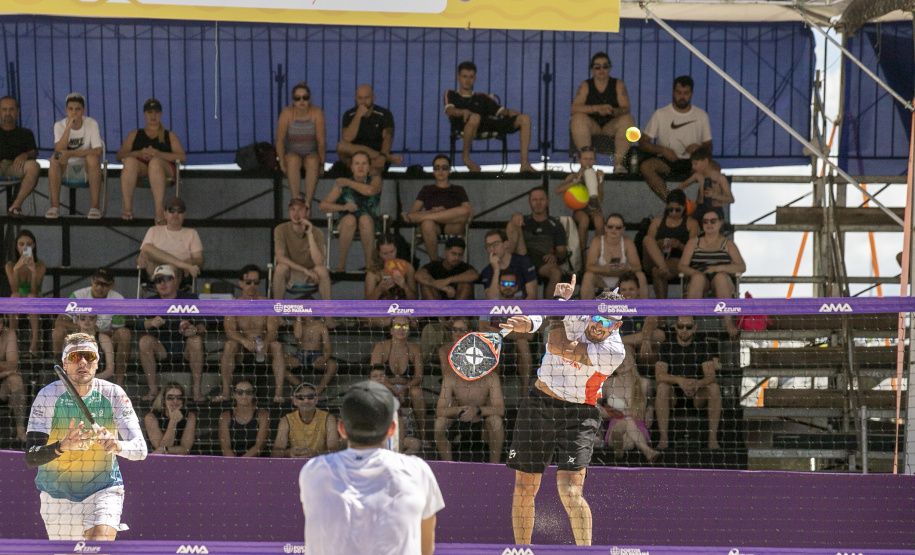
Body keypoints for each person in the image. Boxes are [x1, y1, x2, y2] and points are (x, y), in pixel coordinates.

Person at [501, 277, 626, 546]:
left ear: (617, 326)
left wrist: (558, 305)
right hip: (539, 405)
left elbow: (559, 346)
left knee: (570, 492)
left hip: (579, 415)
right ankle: (523, 552)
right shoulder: (580, 313)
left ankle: (585, 553)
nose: (597, 325)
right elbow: (544, 315)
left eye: (606, 323)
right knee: (524, 489)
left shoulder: (615, 351)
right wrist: (530, 323)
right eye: (596, 318)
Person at [25, 332, 147, 540]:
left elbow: (140, 450)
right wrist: (61, 446)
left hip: (103, 488)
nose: (82, 361)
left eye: (89, 356)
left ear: (97, 363)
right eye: (75, 357)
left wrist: (117, 445)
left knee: (97, 546)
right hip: (57, 495)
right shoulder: (48, 396)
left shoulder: (113, 394)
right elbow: (31, 456)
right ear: (65, 364)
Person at [298, 381, 444, 555]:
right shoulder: (418, 471)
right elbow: (426, 548)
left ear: (342, 429)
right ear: (392, 429)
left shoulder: (314, 470)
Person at [215, 265, 289, 404]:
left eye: (256, 282)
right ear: (241, 283)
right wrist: (244, 341)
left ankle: (278, 394)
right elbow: (230, 331)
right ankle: (225, 392)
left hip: (263, 348)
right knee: (229, 345)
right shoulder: (233, 305)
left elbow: (273, 331)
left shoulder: (268, 303)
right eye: (248, 282)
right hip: (242, 349)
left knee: (277, 346)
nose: (252, 285)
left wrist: (264, 342)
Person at [435, 318, 505, 463]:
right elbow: (440, 411)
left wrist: (477, 410)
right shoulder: (450, 377)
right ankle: (448, 466)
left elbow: (500, 409)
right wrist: (459, 410)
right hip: (458, 414)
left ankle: (495, 466)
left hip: (481, 414)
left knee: (496, 422)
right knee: (439, 423)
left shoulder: (491, 377)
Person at [444, 61, 534, 173]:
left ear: (475, 79)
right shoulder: (451, 94)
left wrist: (509, 112)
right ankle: (466, 158)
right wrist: (463, 112)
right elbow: (449, 110)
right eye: (464, 76)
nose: (467, 80)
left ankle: (524, 163)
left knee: (525, 118)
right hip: (464, 125)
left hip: (486, 124)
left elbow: (500, 111)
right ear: (458, 78)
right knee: (475, 117)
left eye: (471, 77)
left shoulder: (482, 97)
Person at [51, 269, 132, 386]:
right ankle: (62, 374)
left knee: (124, 333)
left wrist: (96, 333)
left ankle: (119, 384)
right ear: (91, 281)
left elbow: (116, 330)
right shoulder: (78, 295)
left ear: (112, 285)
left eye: (104, 284)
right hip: (76, 339)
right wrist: (82, 328)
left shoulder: (118, 299)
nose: (99, 287)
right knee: (57, 332)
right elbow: (59, 322)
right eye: (97, 282)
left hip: (104, 340)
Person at [638, 75, 714, 200]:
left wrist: (699, 148)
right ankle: (671, 201)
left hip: (693, 163)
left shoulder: (701, 115)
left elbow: (709, 146)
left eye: (686, 93)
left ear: (691, 93)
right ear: (673, 92)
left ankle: (698, 207)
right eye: (679, 92)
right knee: (646, 167)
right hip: (667, 161)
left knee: (714, 168)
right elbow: (643, 143)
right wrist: (662, 150)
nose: (682, 96)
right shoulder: (660, 114)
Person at [138, 265, 205, 402]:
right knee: (144, 341)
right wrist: (150, 322)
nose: (162, 283)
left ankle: (197, 391)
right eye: (158, 280)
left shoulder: (190, 298)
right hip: (161, 348)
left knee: (196, 340)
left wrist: (194, 330)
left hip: (185, 347)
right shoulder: (150, 301)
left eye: (166, 279)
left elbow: (203, 324)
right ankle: (153, 389)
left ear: (175, 280)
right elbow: (139, 323)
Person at [654, 316, 722, 450]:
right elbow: (659, 375)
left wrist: (697, 384)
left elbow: (710, 376)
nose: (684, 330)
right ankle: (663, 439)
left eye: (688, 327)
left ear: (695, 327)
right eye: (680, 326)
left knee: (714, 388)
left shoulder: (702, 345)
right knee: (662, 388)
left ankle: (712, 440)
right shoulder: (667, 345)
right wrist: (680, 381)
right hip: (673, 395)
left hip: (697, 394)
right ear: (675, 327)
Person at [116, 98, 186, 222]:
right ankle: (127, 207)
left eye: (156, 112)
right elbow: (120, 155)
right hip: (143, 169)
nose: (153, 115)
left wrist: (159, 154)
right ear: (144, 114)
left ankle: (159, 211)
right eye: (150, 112)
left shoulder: (169, 135)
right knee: (130, 161)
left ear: (161, 114)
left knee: (155, 163)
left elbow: (182, 157)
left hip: (165, 170)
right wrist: (140, 153)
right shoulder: (135, 134)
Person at [679, 207, 746, 338]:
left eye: (713, 221)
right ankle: (688, 324)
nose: (709, 224)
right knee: (698, 279)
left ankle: (728, 324)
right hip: (699, 279)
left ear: (720, 222)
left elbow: (741, 266)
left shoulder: (728, 244)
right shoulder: (694, 242)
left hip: (722, 280)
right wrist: (695, 273)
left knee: (720, 278)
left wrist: (717, 269)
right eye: (705, 221)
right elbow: (681, 266)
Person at [569, 52, 637, 171]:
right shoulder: (585, 85)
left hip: (611, 126)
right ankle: (586, 164)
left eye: (605, 66)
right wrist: (596, 108)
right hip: (592, 126)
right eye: (597, 67)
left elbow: (626, 108)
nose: (602, 70)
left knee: (628, 120)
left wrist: (612, 111)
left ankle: (618, 164)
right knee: (577, 119)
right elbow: (574, 108)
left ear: (609, 68)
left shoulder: (618, 84)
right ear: (592, 69)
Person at [318, 151, 382, 272]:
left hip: (370, 221)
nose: (360, 167)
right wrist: (343, 207)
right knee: (349, 220)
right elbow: (323, 206)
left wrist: (348, 182)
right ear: (351, 167)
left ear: (369, 167)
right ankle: (341, 265)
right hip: (346, 221)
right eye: (357, 163)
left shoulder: (375, 179)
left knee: (364, 219)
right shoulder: (343, 185)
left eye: (364, 163)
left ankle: (369, 265)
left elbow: (370, 191)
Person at [402, 154, 473, 262]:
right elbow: (414, 211)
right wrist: (433, 212)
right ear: (433, 171)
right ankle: (434, 263)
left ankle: (433, 216)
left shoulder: (458, 189)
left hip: (452, 226)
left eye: (444, 168)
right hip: (432, 227)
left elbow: (469, 214)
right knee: (427, 224)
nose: (441, 171)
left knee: (463, 211)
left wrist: (443, 213)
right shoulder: (426, 189)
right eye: (437, 168)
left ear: (449, 170)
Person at [272, 197, 333, 320]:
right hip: (292, 273)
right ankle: (277, 316)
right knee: (280, 268)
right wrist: (303, 270)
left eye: (300, 209)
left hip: (311, 275)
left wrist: (309, 234)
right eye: (292, 209)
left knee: (322, 269)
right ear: (289, 212)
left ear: (307, 212)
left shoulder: (317, 232)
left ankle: (328, 317)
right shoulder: (281, 229)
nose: (296, 213)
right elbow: (280, 257)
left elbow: (318, 261)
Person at [46, 92, 104, 219]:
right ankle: (54, 206)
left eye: (78, 109)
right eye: (71, 109)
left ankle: (95, 206)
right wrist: (68, 129)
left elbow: (97, 151)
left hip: (86, 166)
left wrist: (71, 153)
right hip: (65, 166)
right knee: (54, 160)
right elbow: (58, 150)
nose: (74, 113)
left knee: (92, 158)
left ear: (84, 111)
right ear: (66, 111)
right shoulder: (59, 125)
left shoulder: (91, 123)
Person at [478, 270, 535, 393]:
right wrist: (512, 332)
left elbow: (530, 335)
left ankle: (524, 395)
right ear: (498, 286)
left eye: (511, 284)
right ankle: (493, 397)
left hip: (514, 347)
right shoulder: (489, 304)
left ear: (516, 287)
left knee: (523, 342)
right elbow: (483, 329)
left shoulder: (524, 306)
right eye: (504, 284)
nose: (508, 287)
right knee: (493, 343)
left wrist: (499, 331)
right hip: (495, 345)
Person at [506, 188, 569, 299]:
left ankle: (547, 310)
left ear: (548, 201)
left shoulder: (556, 224)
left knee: (556, 272)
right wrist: (515, 216)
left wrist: (554, 256)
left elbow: (562, 252)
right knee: (513, 224)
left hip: (543, 261)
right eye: (535, 200)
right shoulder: (522, 220)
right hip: (523, 257)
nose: (538, 203)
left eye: (541, 199)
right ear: (529, 202)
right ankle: (506, 265)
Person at [370, 316, 426, 441]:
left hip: (407, 389)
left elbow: (419, 377)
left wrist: (405, 388)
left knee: (417, 392)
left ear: (409, 331)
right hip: (386, 386)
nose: (401, 329)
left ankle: (422, 435)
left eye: (405, 326)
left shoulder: (415, 349)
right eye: (397, 326)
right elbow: (374, 375)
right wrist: (392, 388)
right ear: (391, 330)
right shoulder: (381, 347)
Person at [600, 348, 659, 462]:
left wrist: (650, 409)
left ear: (632, 359)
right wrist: (603, 411)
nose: (621, 363)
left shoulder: (645, 383)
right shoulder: (607, 384)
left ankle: (619, 448)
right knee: (627, 421)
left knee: (630, 442)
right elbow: (591, 403)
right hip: (616, 426)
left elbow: (651, 401)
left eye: (624, 358)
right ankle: (647, 451)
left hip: (638, 427)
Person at [641, 189, 700, 299]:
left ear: (684, 207)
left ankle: (662, 312)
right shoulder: (657, 221)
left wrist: (679, 245)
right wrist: (659, 244)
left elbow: (695, 251)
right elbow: (649, 244)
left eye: (677, 210)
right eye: (670, 209)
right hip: (654, 260)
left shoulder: (691, 224)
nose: (673, 213)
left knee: (656, 271)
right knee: (647, 239)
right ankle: (663, 266)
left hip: (676, 260)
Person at [276, 81, 326, 207]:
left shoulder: (316, 113)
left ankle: (307, 203)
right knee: (293, 160)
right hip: (292, 153)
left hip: (311, 153)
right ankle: (296, 201)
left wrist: (322, 163)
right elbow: (279, 140)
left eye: (305, 97)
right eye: (297, 98)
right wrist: (282, 161)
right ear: (293, 100)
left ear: (310, 99)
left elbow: (321, 141)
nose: (301, 101)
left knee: (313, 161)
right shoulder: (287, 113)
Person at [137, 197, 204, 283]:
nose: (176, 214)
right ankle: (181, 265)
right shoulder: (153, 230)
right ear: (165, 214)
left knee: (172, 267)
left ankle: (178, 266)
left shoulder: (192, 233)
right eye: (172, 210)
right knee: (146, 248)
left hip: (178, 272)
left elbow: (199, 260)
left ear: (184, 215)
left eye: (180, 211)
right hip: (155, 269)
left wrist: (190, 262)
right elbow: (144, 254)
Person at [580, 213, 648, 299]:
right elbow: (589, 266)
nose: (614, 230)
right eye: (610, 227)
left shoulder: (627, 242)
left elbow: (637, 267)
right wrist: (603, 269)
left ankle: (644, 310)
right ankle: (586, 310)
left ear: (623, 229)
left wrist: (627, 268)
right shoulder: (597, 242)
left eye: (618, 227)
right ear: (605, 228)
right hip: (601, 279)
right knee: (588, 276)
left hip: (621, 281)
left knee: (640, 276)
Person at [338, 84, 403, 173]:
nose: (363, 101)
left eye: (367, 98)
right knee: (341, 146)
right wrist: (358, 115)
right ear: (355, 98)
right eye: (360, 98)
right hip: (356, 157)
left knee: (375, 164)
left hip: (377, 156)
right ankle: (387, 157)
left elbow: (388, 138)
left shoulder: (384, 114)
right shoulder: (349, 115)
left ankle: (380, 159)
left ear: (373, 98)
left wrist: (383, 156)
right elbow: (347, 138)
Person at [554, 147, 605, 255]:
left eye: (591, 159)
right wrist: (576, 180)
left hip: (594, 207)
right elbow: (557, 190)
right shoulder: (573, 176)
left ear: (595, 161)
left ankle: (599, 252)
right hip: (579, 209)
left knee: (599, 220)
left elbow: (599, 199)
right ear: (579, 160)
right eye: (585, 159)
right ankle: (582, 253)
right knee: (584, 220)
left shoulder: (596, 176)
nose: (588, 161)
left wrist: (600, 182)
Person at [5, 229, 46, 355]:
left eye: (28, 244)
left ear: (33, 246)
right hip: (18, 299)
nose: (25, 247)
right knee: (15, 296)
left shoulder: (40, 265)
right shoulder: (10, 266)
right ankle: (12, 341)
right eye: (21, 244)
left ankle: (35, 342)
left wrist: (33, 272)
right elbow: (14, 289)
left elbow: (34, 289)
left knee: (31, 296)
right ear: (16, 246)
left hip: (34, 298)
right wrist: (16, 269)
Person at [272, 382, 340, 458]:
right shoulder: (286, 420)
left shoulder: (328, 418)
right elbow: (275, 452)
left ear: (316, 399)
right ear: (294, 401)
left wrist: (315, 454)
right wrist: (289, 452)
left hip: (320, 464)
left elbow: (335, 450)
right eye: (301, 397)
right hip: (295, 464)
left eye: (310, 397)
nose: (306, 401)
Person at [0, 96, 40, 218]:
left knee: (34, 166)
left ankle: (16, 206)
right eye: (4, 109)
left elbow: (34, 152)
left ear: (18, 112)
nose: (8, 113)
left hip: (16, 167)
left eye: (11, 109)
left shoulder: (26, 133)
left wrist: (25, 155)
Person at [368, 366, 422, 455]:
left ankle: (398, 459)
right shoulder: (365, 394)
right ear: (369, 380)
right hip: (373, 434)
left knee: (415, 444)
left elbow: (397, 414)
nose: (378, 378)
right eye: (375, 376)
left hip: (392, 434)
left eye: (381, 375)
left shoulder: (392, 394)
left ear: (386, 378)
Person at [616, 273, 664, 366]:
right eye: (623, 290)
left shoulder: (646, 306)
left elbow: (651, 322)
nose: (627, 293)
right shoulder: (614, 310)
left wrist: (645, 339)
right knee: (627, 348)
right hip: (623, 350)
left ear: (638, 290)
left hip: (644, 348)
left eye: (631, 289)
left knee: (659, 334)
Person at [676, 146, 734, 221]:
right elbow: (682, 185)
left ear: (705, 161)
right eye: (692, 164)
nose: (693, 167)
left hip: (715, 209)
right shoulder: (697, 175)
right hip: (699, 209)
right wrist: (677, 198)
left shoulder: (720, 177)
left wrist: (714, 195)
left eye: (696, 164)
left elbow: (731, 199)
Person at [285, 316, 338, 397]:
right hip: (299, 355)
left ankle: (318, 392)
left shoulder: (321, 327)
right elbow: (297, 335)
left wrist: (324, 358)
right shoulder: (297, 324)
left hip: (316, 356)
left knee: (333, 365)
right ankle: (300, 386)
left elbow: (328, 349)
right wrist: (298, 317)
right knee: (279, 365)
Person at [217, 380, 269, 457]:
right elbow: (225, 448)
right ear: (234, 394)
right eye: (239, 392)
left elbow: (259, 446)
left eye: (248, 392)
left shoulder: (263, 415)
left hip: (256, 461)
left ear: (253, 394)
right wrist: (235, 464)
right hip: (231, 462)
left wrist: (241, 463)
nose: (244, 396)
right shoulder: (225, 417)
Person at [481, 229, 537, 300]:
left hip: (523, 307)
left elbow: (532, 295)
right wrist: (496, 270)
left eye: (495, 244)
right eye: (489, 245)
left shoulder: (523, 262)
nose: (492, 248)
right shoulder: (487, 271)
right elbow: (492, 300)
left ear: (505, 244)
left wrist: (519, 310)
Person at [144, 383, 196, 455]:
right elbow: (160, 451)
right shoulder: (151, 418)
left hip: (183, 461)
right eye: (170, 398)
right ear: (164, 400)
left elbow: (185, 449)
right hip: (158, 461)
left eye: (179, 398)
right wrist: (173, 421)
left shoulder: (190, 416)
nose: (175, 401)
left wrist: (165, 449)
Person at [365, 233, 417, 301]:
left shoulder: (407, 268)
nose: (389, 256)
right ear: (379, 253)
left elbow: (415, 299)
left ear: (396, 249)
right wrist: (379, 290)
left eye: (392, 251)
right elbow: (367, 302)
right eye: (385, 253)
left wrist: (405, 286)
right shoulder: (373, 272)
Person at [0, 315, 26, 443]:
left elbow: (13, 365)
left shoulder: (8, 334)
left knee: (16, 380)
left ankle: (20, 431)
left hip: (2, 386)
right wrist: (3, 372)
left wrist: (7, 372)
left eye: (0, 323)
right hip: (2, 375)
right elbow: (8, 366)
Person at [73, 314, 114, 381]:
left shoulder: (104, 339)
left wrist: (90, 379)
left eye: (91, 318)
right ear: (77, 320)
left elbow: (110, 370)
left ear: (96, 320)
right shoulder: (71, 340)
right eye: (83, 317)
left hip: (99, 381)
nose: (87, 321)